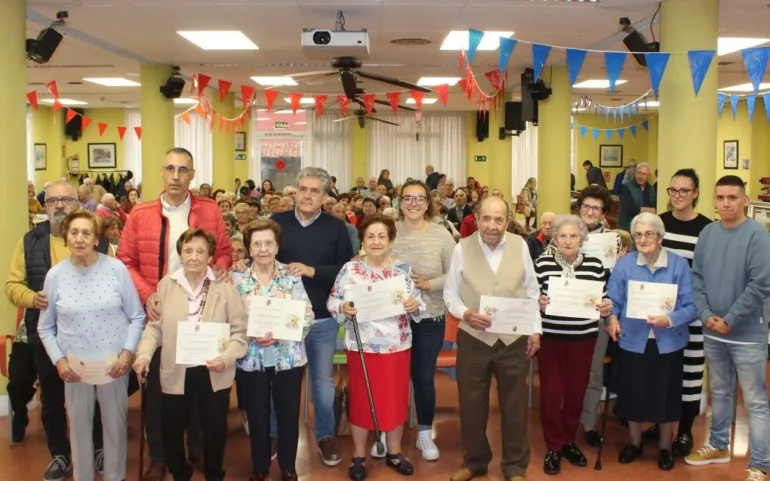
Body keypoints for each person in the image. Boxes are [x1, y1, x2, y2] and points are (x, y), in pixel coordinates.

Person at [117, 147, 233, 481]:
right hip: (161, 308)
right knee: (159, 390)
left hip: (202, 311)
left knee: (199, 385)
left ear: (192, 175)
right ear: (162, 172)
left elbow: (223, 252)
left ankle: (196, 446)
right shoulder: (141, 213)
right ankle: (160, 455)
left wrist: (222, 268)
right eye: (170, 169)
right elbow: (125, 259)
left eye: (183, 170)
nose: (176, 176)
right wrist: (147, 293)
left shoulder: (209, 210)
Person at [5, 180, 107, 481]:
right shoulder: (29, 241)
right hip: (46, 335)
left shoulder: (97, 239)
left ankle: (98, 448)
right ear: (44, 205)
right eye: (52, 201)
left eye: (66, 200)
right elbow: (12, 285)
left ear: (78, 203)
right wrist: (31, 298)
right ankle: (61, 455)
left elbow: (114, 277)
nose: (59, 206)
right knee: (51, 398)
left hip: (91, 334)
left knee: (95, 393)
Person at [132, 229, 248, 481]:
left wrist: (226, 358)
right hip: (176, 369)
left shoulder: (225, 287)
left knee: (215, 429)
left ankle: (214, 473)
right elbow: (155, 328)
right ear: (180, 254)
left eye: (200, 251)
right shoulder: (166, 285)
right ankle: (180, 472)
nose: (194, 256)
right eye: (188, 251)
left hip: (214, 370)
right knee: (171, 428)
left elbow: (240, 334)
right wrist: (143, 355)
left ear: (209, 257)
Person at [37, 210, 145, 481]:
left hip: (113, 366)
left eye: (87, 233)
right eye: (74, 232)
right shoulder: (55, 276)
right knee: (80, 429)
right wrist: (59, 361)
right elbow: (44, 327)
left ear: (97, 239)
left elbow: (137, 316)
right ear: (66, 237)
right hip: (75, 368)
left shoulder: (116, 269)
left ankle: (114, 477)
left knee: (115, 428)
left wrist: (127, 353)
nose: (79, 239)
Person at [443, 197, 542, 481]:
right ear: (476, 218)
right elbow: (450, 294)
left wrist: (535, 330)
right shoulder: (462, 248)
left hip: (513, 339)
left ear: (508, 221)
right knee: (471, 404)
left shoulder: (520, 245)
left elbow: (532, 291)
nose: (492, 225)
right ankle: (475, 461)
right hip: (474, 338)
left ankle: (515, 467)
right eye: (487, 218)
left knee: (514, 405)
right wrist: (465, 313)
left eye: (499, 219)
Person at [328, 214, 426, 480]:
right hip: (362, 347)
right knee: (361, 401)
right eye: (370, 236)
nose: (376, 241)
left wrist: (414, 306)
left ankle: (394, 452)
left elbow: (419, 304)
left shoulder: (402, 271)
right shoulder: (350, 270)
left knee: (394, 401)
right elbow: (332, 301)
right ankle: (359, 456)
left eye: (382, 236)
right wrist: (343, 307)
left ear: (391, 240)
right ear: (362, 240)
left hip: (396, 347)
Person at [686, 175, 770, 481]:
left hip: (747, 335)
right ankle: (719, 445)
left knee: (755, 400)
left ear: (745, 200)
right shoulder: (708, 233)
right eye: (720, 198)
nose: (725, 204)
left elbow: (760, 284)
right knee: (720, 392)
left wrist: (730, 319)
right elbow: (697, 277)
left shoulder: (758, 237)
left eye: (732, 198)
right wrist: (706, 314)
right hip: (712, 330)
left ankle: (759, 464)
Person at [271, 167, 353, 466]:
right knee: (279, 380)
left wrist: (312, 270)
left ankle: (325, 435)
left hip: (321, 317)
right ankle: (274, 433)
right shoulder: (277, 223)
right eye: (302, 189)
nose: (306, 195)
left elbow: (346, 270)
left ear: (325, 195)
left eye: (314, 190)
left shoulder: (336, 227)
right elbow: (263, 261)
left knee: (322, 382)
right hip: (283, 317)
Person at [606, 213, 697, 471]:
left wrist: (669, 320)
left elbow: (691, 306)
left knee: (666, 395)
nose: (643, 239)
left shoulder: (678, 265)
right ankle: (634, 443)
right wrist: (612, 319)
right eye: (638, 234)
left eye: (649, 234)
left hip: (668, 340)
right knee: (632, 393)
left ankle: (665, 447)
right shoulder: (625, 265)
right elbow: (613, 299)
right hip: (632, 339)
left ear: (660, 237)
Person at [373, 179, 455, 461]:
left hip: (429, 316)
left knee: (422, 377)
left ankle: (424, 432)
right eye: (408, 198)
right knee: (390, 377)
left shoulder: (442, 235)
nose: (414, 203)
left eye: (419, 198)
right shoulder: (387, 233)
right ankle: (386, 431)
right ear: (399, 201)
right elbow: (372, 265)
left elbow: (455, 275)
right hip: (390, 318)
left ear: (428, 203)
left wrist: (429, 284)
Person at [231, 220, 313, 481]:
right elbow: (229, 318)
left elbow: (307, 315)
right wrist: (248, 334)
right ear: (249, 249)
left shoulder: (291, 277)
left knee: (289, 414)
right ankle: (260, 466)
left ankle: (288, 466)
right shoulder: (236, 278)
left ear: (277, 246)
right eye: (257, 244)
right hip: (250, 358)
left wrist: (282, 333)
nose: (263, 248)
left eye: (268, 243)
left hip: (288, 357)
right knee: (256, 415)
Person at [640, 169, 712, 456]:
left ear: (695, 193)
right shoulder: (659, 224)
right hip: (660, 313)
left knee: (691, 373)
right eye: (673, 190)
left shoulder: (707, 229)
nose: (678, 196)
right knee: (662, 372)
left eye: (684, 190)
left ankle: (683, 432)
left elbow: (706, 272)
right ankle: (660, 423)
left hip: (692, 312)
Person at [534, 215, 611, 475]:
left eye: (573, 236)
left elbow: (605, 299)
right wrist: (539, 301)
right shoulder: (542, 264)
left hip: (583, 339)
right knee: (552, 395)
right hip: (551, 339)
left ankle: (568, 440)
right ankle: (553, 446)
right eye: (563, 236)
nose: (568, 241)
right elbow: (531, 296)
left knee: (576, 393)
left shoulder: (595, 265)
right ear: (554, 239)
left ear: (582, 238)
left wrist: (606, 306)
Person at [618, 162, 656, 231]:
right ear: (635, 173)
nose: (640, 176)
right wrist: (647, 210)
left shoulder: (651, 189)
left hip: (645, 227)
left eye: (644, 174)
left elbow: (654, 205)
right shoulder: (625, 187)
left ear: (648, 176)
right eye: (639, 173)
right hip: (628, 227)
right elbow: (628, 207)